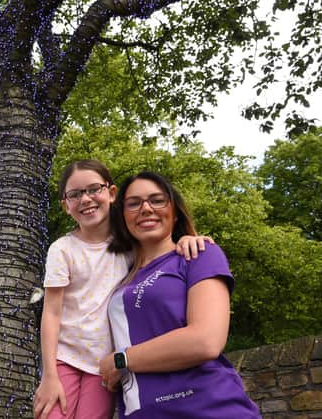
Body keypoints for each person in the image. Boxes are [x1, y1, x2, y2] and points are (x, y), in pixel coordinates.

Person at [33, 160, 211, 419]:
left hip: (106, 361)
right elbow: (51, 313)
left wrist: (186, 238)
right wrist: (49, 375)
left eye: (94, 189)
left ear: (112, 193)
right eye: (75, 194)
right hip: (65, 358)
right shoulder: (62, 249)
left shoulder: (131, 245)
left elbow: (162, 248)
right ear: (65, 205)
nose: (86, 199)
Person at [99, 171, 261, 418]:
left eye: (157, 200)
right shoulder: (119, 279)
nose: (146, 208)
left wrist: (121, 360)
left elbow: (205, 340)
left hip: (208, 408)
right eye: (133, 203)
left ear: (174, 213)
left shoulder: (198, 255)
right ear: (122, 217)